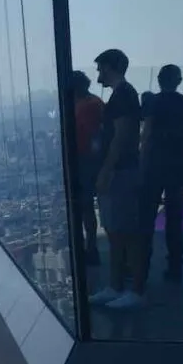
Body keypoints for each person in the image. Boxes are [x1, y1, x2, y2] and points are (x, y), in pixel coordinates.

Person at [88, 49, 146, 309]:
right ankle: (116, 286)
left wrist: (106, 170)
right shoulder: (121, 95)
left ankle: (135, 290)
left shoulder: (124, 95)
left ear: (111, 68)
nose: (98, 73)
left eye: (101, 68)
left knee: (127, 231)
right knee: (114, 231)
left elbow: (122, 136)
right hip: (118, 170)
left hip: (121, 172)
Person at [137, 64, 183, 284]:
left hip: (154, 166)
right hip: (178, 166)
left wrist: (142, 164)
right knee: (175, 220)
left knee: (146, 219)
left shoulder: (152, 102)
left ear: (159, 80)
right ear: (179, 81)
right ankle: (175, 268)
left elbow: (146, 135)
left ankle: (142, 269)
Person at [72, 71, 105, 265]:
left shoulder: (88, 106)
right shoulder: (92, 102)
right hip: (87, 161)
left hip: (86, 162)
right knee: (86, 208)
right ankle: (90, 247)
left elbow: (94, 136)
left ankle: (91, 249)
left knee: (86, 207)